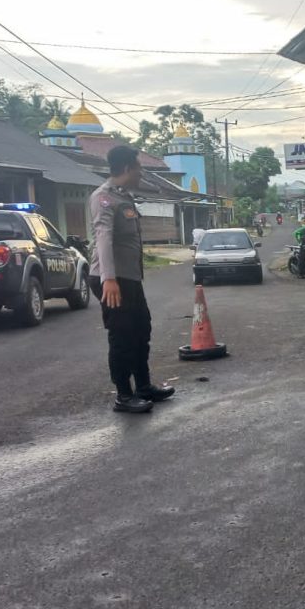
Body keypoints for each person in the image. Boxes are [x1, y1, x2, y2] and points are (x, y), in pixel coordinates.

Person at [88, 145, 175, 414]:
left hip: (129, 279)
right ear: (127, 168)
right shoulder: (103, 198)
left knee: (141, 331)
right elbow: (103, 237)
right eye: (138, 167)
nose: (140, 172)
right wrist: (109, 278)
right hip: (112, 280)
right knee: (122, 336)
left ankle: (144, 387)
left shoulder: (124, 196)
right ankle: (124, 396)